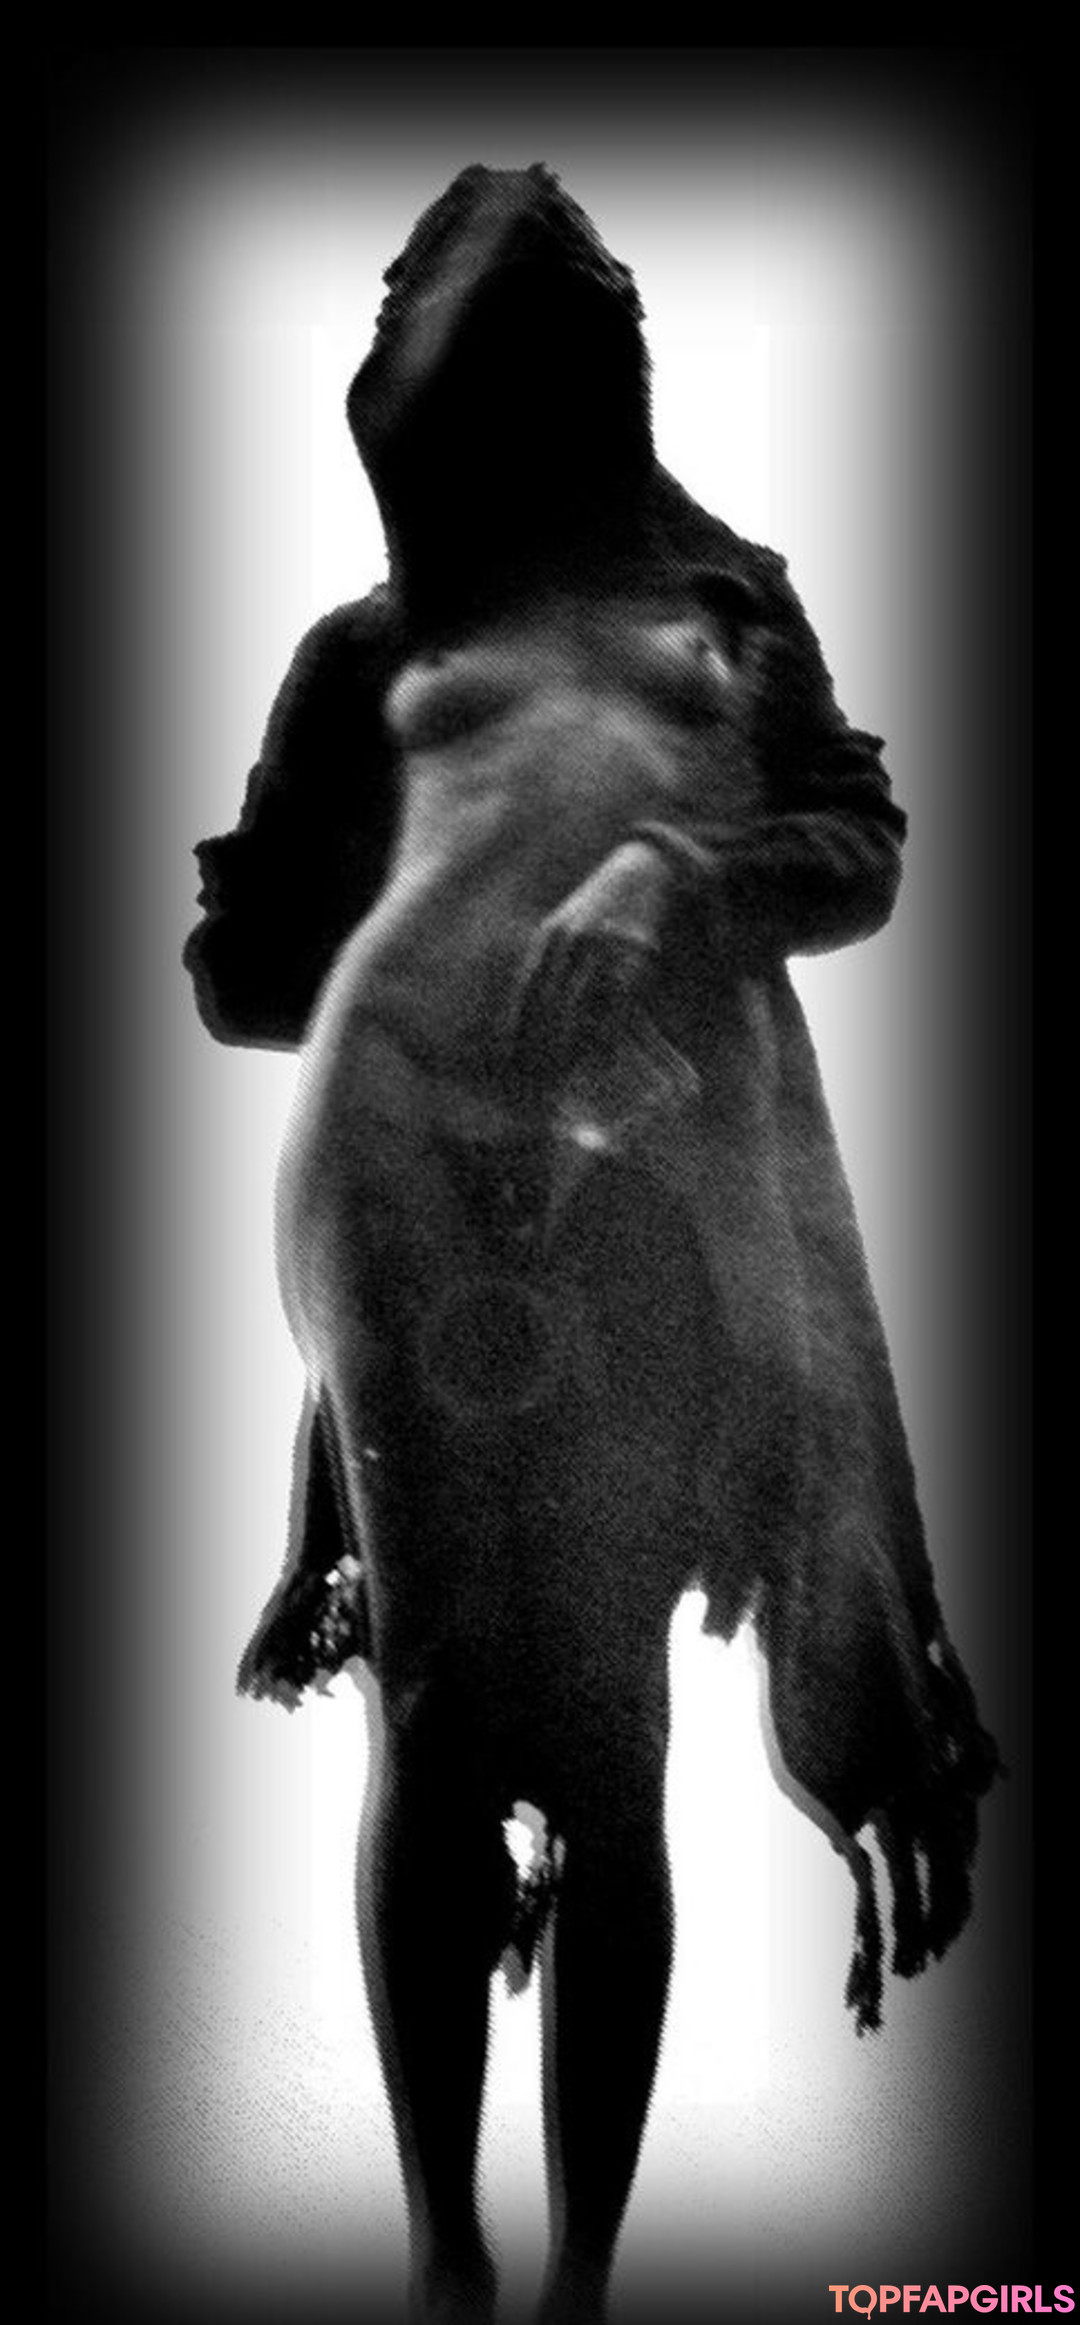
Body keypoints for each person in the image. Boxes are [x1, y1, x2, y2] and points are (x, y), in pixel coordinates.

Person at [184, 165, 998, 2325]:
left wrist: (671, 874)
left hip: (649, 1165)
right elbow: (248, 980)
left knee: (612, 1727)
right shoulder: (372, 644)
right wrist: (334, 909)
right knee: (440, 1701)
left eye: (570, 308)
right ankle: (449, 2258)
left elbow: (860, 845)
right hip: (397, 1132)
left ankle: (583, 2288)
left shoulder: (730, 601)